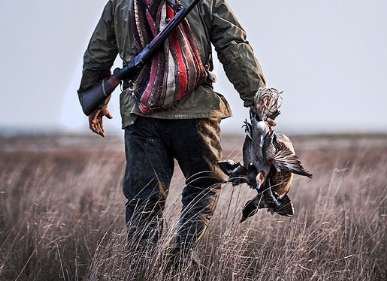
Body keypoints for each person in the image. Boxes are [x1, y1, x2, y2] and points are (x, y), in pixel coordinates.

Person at [78, 0, 266, 258]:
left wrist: (95, 100)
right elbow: (232, 44)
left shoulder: (120, 3)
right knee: (205, 184)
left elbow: (97, 54)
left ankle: (144, 271)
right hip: (196, 115)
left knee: (144, 200)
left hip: (141, 116)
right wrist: (256, 97)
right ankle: (180, 258)